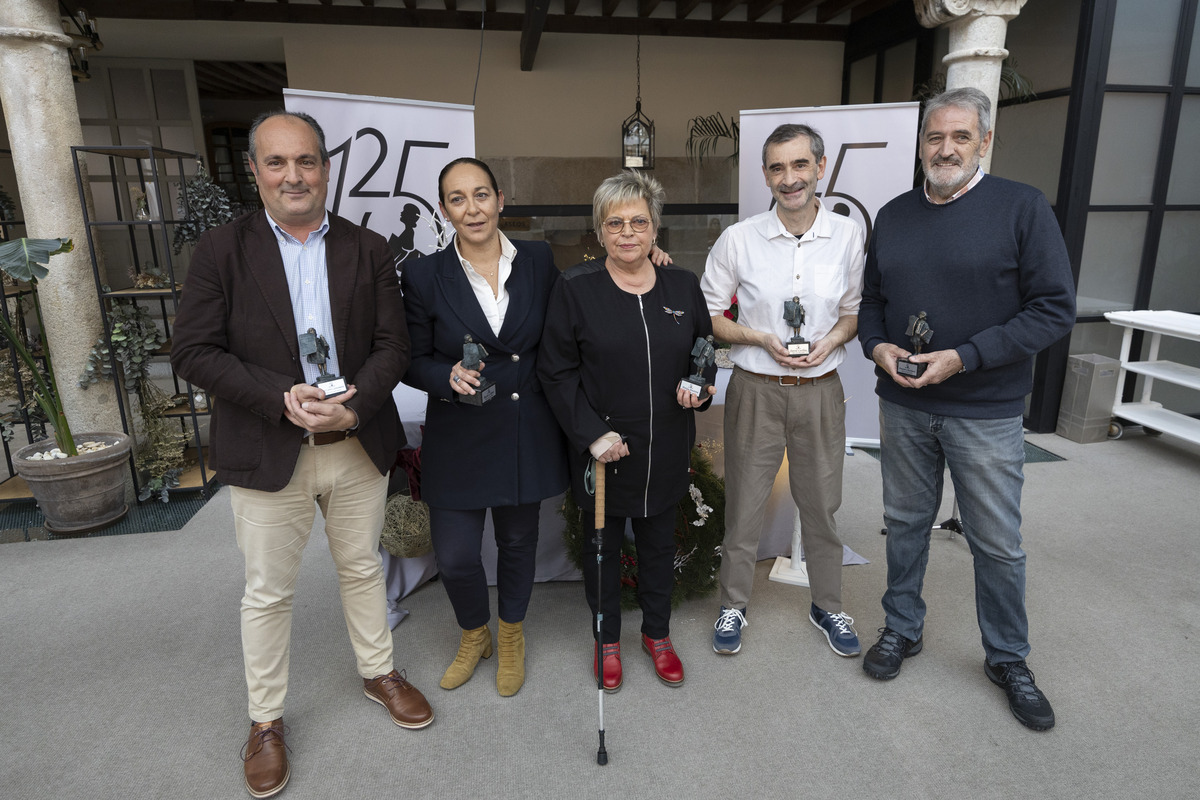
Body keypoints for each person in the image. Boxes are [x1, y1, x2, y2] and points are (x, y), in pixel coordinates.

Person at [172, 110, 432, 800]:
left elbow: (393, 347)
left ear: (326, 168)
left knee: (360, 568)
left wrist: (356, 405)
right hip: (267, 443)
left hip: (353, 440)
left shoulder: (368, 248)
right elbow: (193, 351)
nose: (295, 175)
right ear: (254, 171)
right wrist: (276, 396)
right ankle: (265, 723)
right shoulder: (220, 252)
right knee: (268, 592)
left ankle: (379, 673)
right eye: (278, 162)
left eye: (307, 161)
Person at [857, 88, 1075, 732]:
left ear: (983, 142)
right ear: (920, 143)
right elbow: (871, 300)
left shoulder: (1022, 208)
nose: (944, 148)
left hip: (985, 407)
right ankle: (902, 628)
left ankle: (1007, 657)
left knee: (997, 544)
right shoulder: (893, 215)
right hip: (902, 402)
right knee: (903, 523)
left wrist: (967, 357)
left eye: (959, 137)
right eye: (934, 137)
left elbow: (1053, 309)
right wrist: (877, 346)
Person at [539, 171, 715, 692]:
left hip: (665, 447)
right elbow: (556, 371)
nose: (627, 233)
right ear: (599, 231)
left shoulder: (682, 284)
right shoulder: (575, 290)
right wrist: (591, 434)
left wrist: (700, 385)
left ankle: (657, 635)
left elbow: (703, 352)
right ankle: (607, 637)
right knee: (603, 552)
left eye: (639, 222)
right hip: (604, 453)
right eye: (614, 223)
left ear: (655, 229)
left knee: (660, 548)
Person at [399, 157, 568, 697]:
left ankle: (512, 634)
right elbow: (409, 358)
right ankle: (475, 634)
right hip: (460, 432)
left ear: (500, 199)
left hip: (525, 427)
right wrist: (443, 375)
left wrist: (651, 258)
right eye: (457, 198)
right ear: (444, 210)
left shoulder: (539, 259)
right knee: (455, 555)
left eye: (480, 194)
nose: (471, 208)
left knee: (518, 543)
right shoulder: (424, 274)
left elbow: (573, 319)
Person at [699, 123, 865, 658]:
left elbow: (854, 312)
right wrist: (759, 338)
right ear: (765, 175)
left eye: (799, 166)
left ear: (820, 169)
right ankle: (734, 603)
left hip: (820, 389)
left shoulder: (848, 236)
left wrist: (832, 340)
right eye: (777, 168)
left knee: (822, 504)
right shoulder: (739, 239)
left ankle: (829, 604)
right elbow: (708, 315)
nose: (789, 179)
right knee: (745, 504)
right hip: (756, 387)